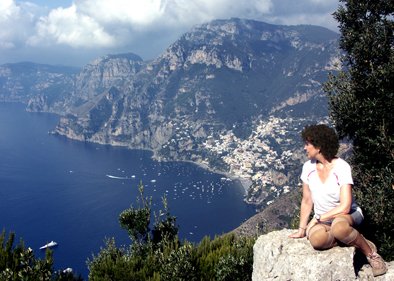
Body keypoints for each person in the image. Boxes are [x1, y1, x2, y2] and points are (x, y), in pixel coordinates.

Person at [289, 124, 387, 277]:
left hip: (348, 215)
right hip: (324, 220)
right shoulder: (308, 168)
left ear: (319, 146)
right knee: (317, 241)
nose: (304, 148)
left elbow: (345, 206)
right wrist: (302, 229)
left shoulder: (341, 167)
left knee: (339, 228)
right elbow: (307, 200)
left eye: (308, 144)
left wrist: (320, 218)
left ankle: (370, 254)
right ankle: (354, 240)